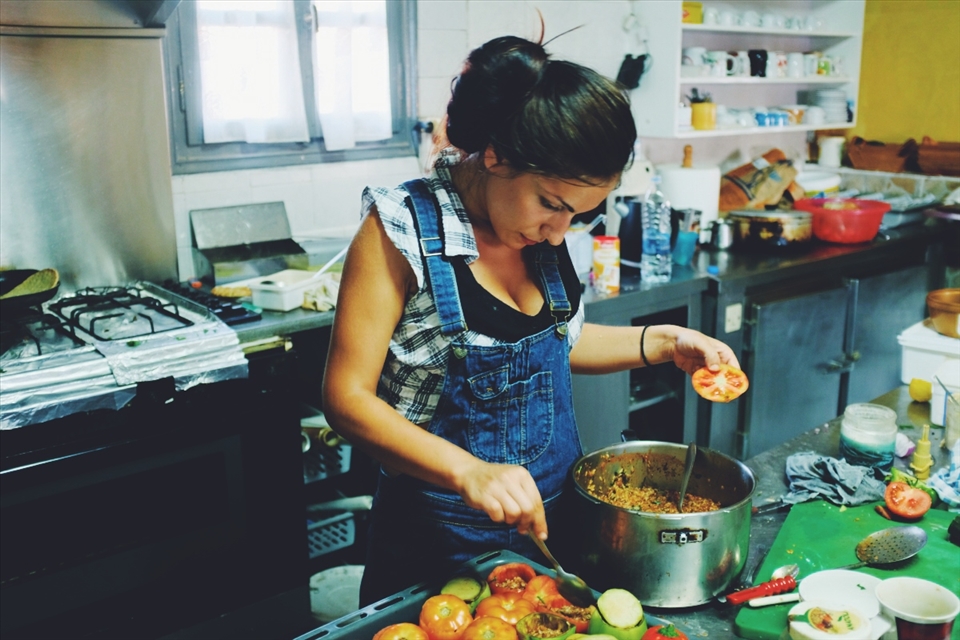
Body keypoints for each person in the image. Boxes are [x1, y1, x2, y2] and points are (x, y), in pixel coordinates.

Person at [322, 34, 740, 605]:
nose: (559, 232)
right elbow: (346, 399)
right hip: (437, 539)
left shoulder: (535, 229)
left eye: (578, 215)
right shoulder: (400, 228)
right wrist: (469, 472)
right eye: (552, 204)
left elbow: (557, 341)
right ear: (496, 156)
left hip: (554, 524)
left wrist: (663, 342)